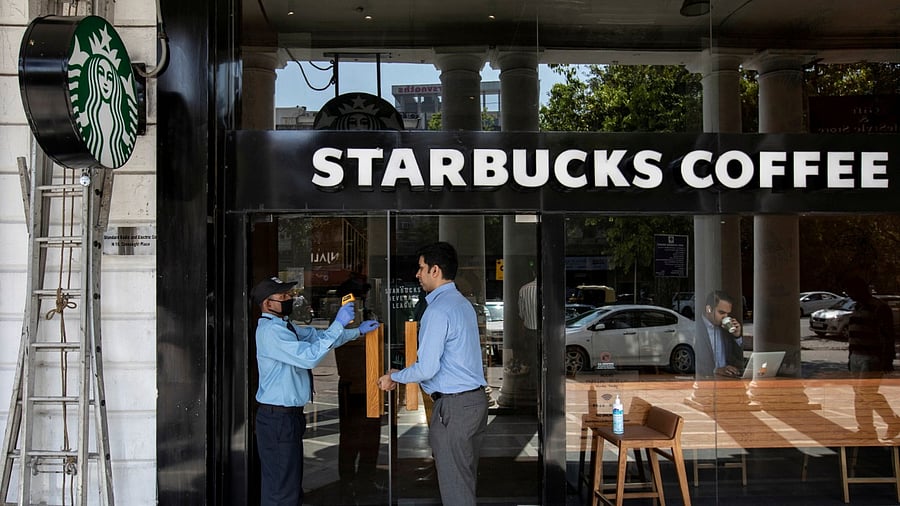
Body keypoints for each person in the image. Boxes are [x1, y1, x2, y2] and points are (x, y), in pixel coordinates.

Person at [251, 276, 380, 506]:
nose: (289, 299)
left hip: (286, 418)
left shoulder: (285, 327)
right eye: (283, 296)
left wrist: (356, 332)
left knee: (288, 487)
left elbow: (319, 338)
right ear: (267, 304)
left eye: (288, 294)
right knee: (282, 493)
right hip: (278, 419)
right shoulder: (271, 332)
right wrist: (339, 323)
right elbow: (309, 357)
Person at [376, 242, 488, 506]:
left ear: (435, 270)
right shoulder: (462, 304)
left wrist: (395, 376)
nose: (418, 274)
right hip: (472, 403)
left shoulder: (437, 310)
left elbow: (427, 368)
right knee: (464, 482)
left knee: (455, 490)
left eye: (421, 268)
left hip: (454, 408)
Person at [843, 273, 900, 436]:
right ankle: (866, 428)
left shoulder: (879, 307)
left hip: (871, 356)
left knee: (867, 393)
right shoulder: (857, 307)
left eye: (851, 291)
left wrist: (887, 359)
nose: (850, 295)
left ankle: (892, 421)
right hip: (857, 356)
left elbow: (888, 336)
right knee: (859, 394)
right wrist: (850, 357)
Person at [696, 290, 745, 378]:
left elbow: (739, 360)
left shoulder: (727, 330)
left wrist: (737, 336)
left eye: (728, 313)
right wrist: (715, 370)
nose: (725, 317)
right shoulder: (695, 328)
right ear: (709, 309)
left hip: (727, 381)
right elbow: (692, 364)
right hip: (704, 383)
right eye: (721, 313)